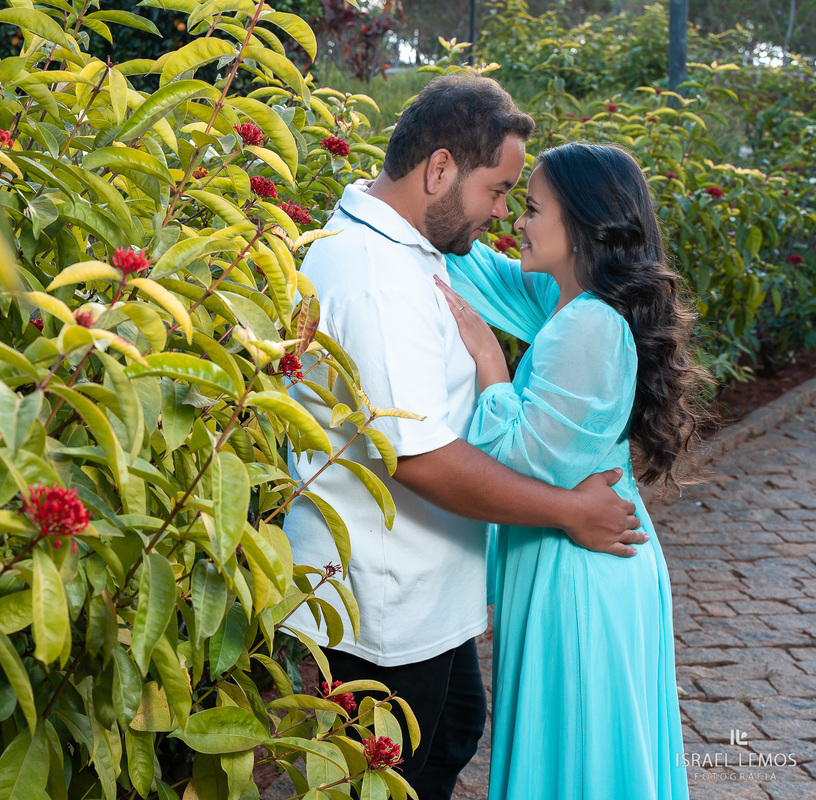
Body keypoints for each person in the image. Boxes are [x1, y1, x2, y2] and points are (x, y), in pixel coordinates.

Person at [282, 74, 647, 800]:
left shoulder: (414, 241)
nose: (503, 213)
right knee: (380, 782)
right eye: (499, 191)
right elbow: (420, 460)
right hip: (380, 610)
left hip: (427, 593)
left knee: (450, 735)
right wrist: (571, 512)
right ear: (440, 170)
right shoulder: (375, 277)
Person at [436, 141, 701, 799]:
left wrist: (492, 367)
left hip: (579, 571)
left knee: (575, 764)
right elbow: (474, 270)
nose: (515, 221)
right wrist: (402, 198)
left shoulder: (589, 325)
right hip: (581, 554)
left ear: (583, 225)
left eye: (531, 209)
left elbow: (522, 460)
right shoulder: (567, 301)